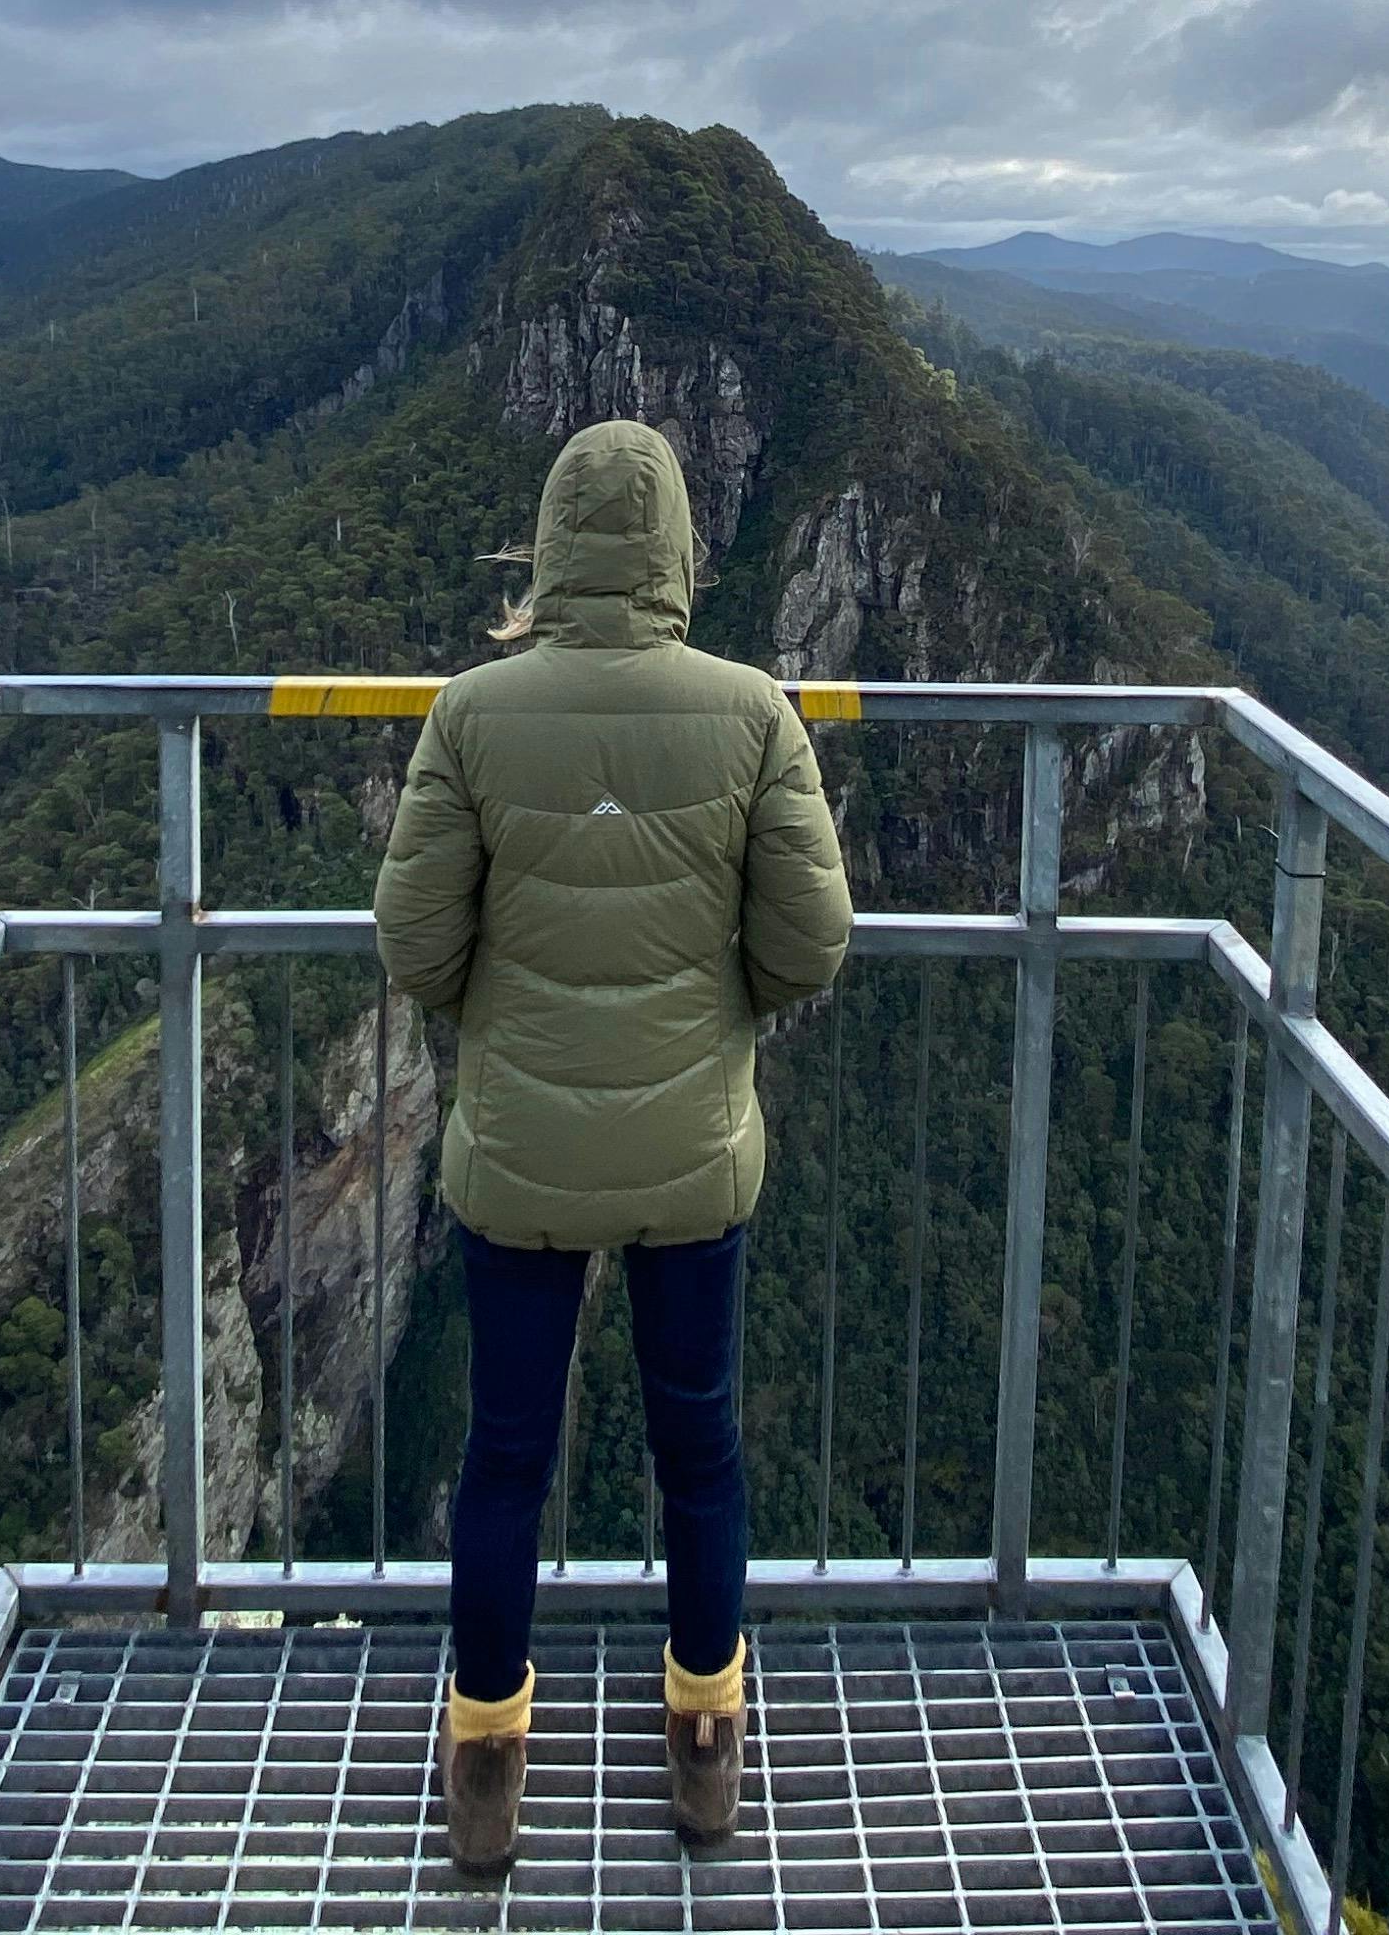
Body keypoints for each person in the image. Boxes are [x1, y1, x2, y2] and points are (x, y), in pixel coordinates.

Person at [372, 417, 855, 1875]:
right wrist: (716, 1011)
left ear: (548, 550)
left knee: (504, 1456)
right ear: (678, 555)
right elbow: (810, 943)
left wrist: (510, 1014)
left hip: (520, 1154)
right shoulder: (754, 714)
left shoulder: (471, 716)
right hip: (693, 1152)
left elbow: (415, 946)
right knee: (697, 1446)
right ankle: (705, 1746)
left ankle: (486, 1765)